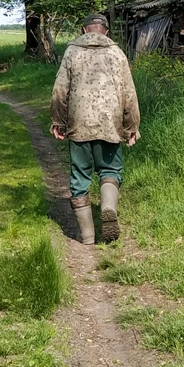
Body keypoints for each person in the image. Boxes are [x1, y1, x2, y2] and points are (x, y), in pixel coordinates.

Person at [49, 13, 140, 244]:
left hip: (79, 125)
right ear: (106, 32)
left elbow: (60, 91)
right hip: (110, 125)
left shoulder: (72, 52)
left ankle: (87, 236)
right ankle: (108, 207)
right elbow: (129, 93)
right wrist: (131, 127)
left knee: (80, 176)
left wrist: (58, 121)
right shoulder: (116, 53)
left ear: (83, 30)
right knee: (110, 170)